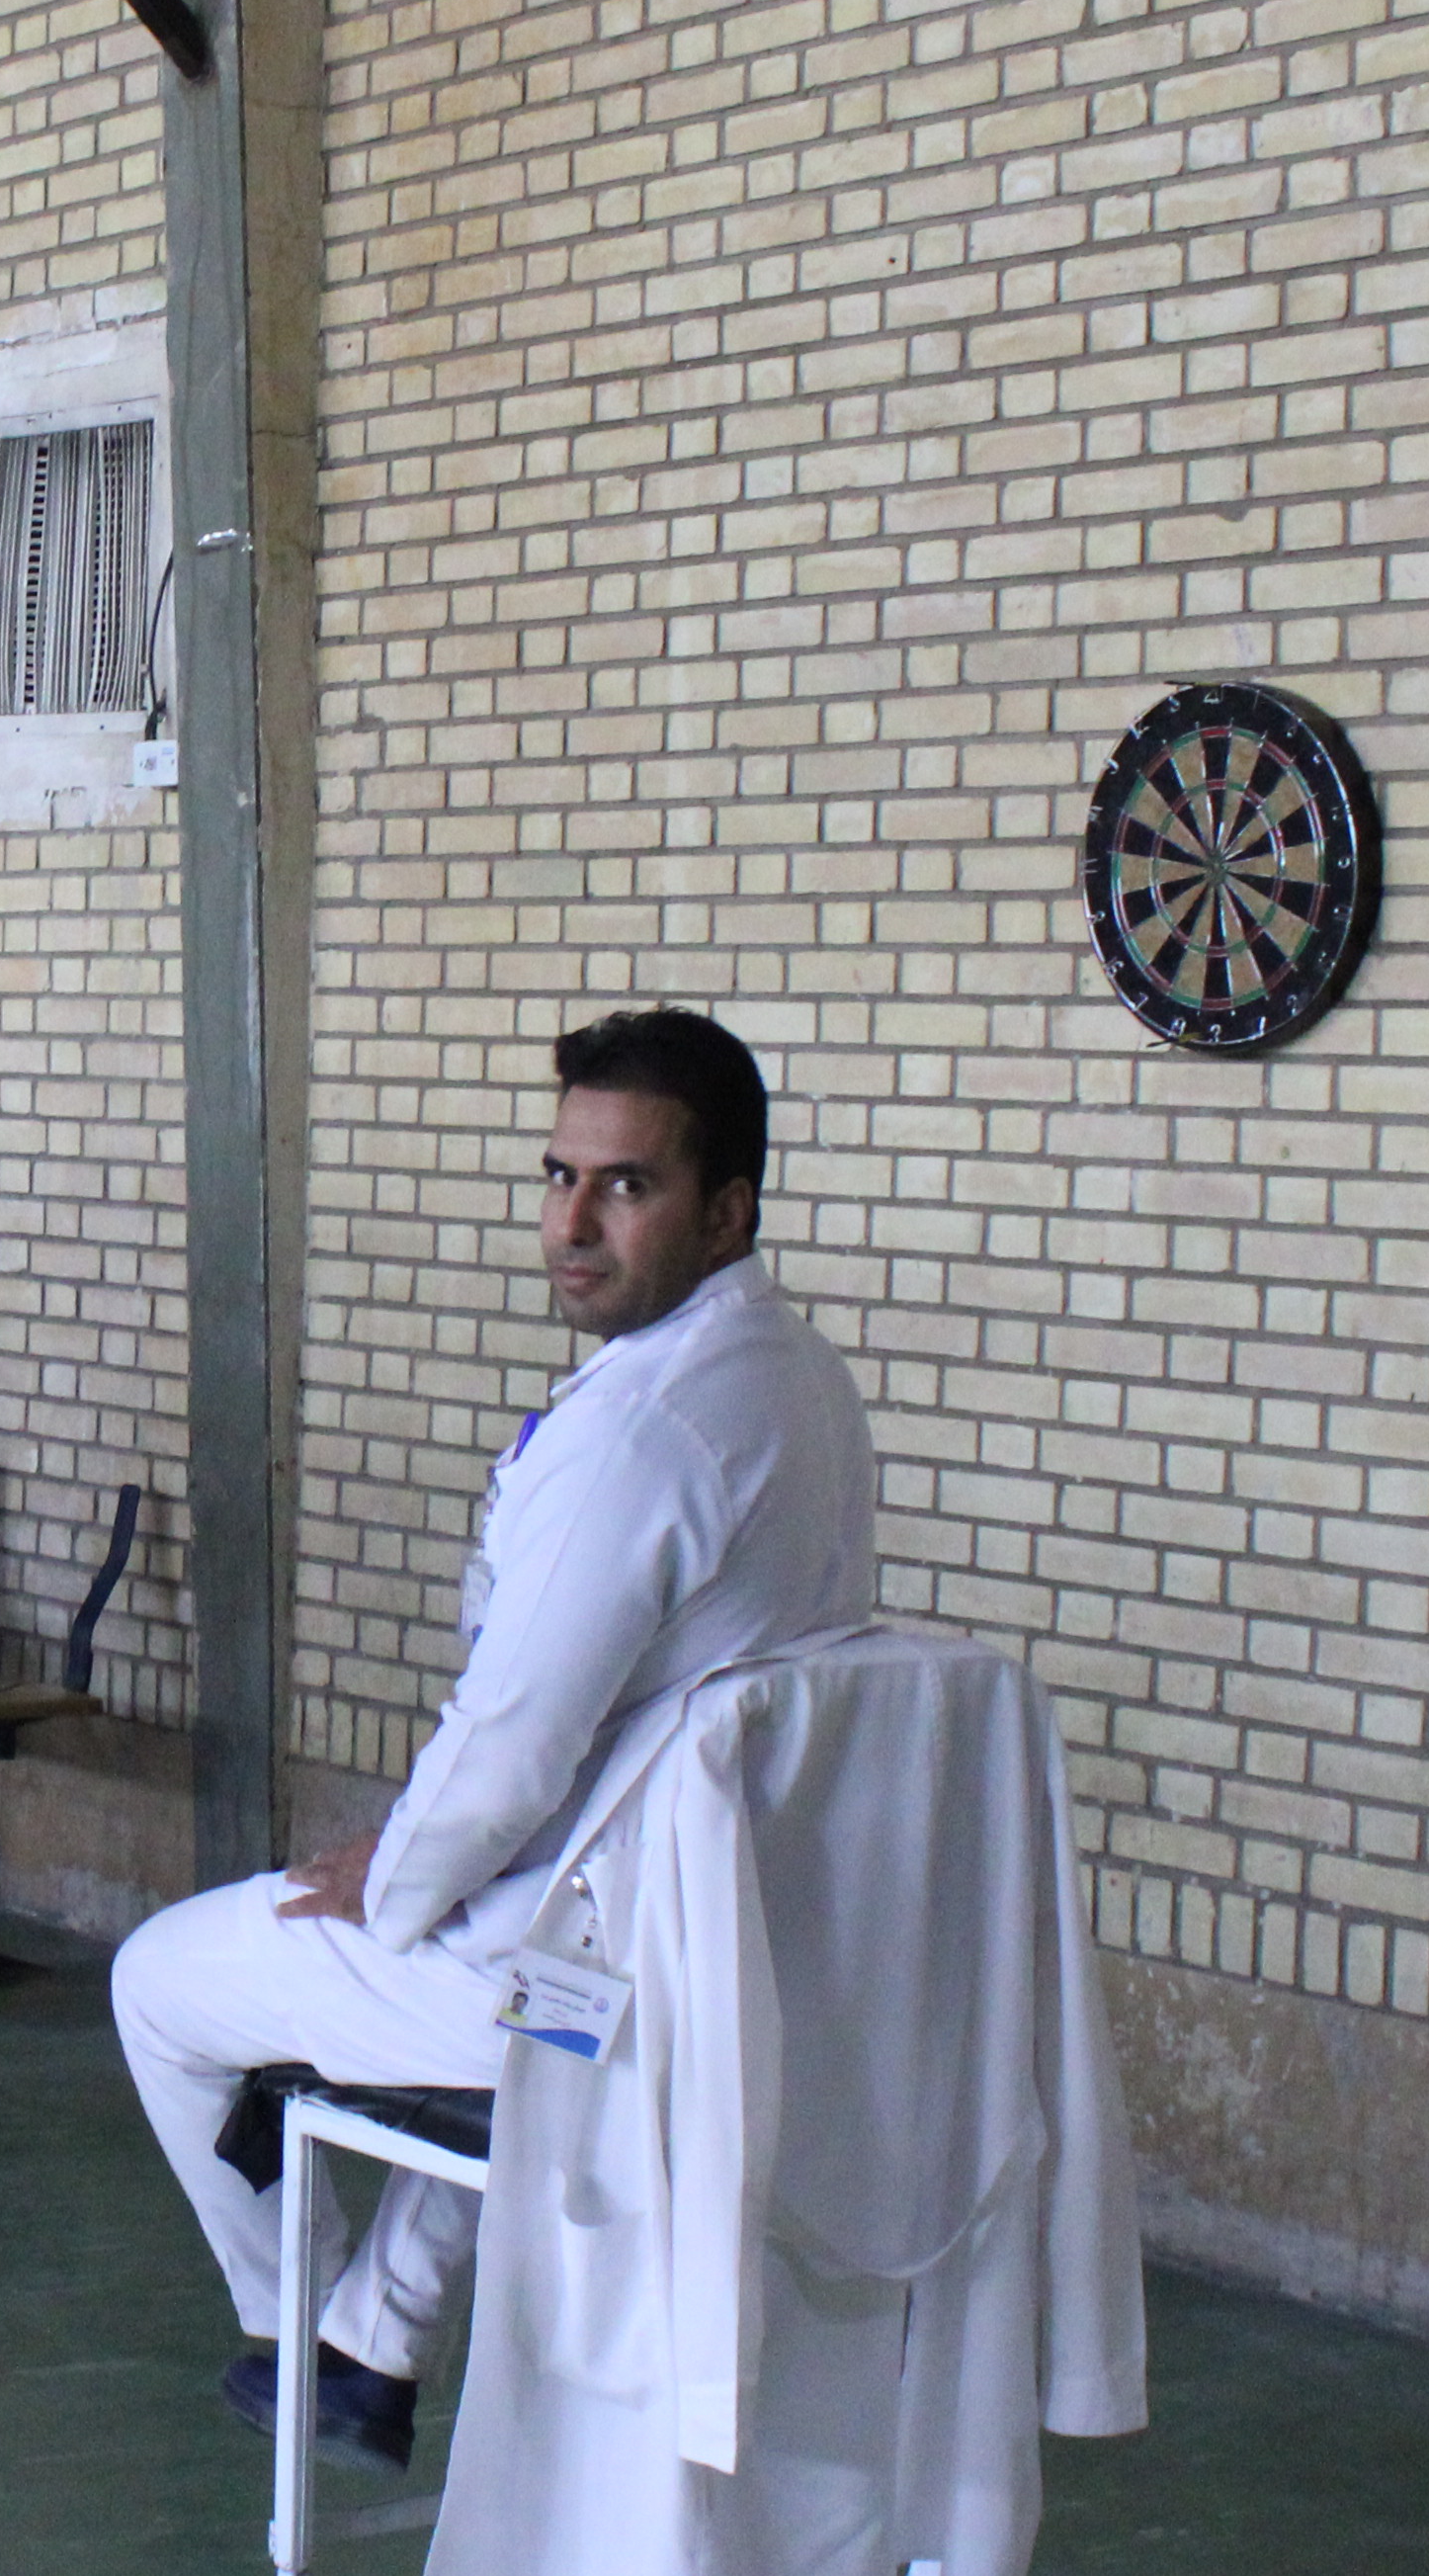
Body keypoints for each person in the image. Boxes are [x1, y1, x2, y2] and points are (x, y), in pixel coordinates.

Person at [107, 1009, 877, 2469]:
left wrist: (393, 1879)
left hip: (609, 1993)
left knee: (162, 1981)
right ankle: (370, 2344)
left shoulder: (645, 1428)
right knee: (506, 1950)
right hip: (729, 1950)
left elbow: (512, 1746)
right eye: (559, 1177)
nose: (572, 1226)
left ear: (728, 1212)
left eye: (627, 1186)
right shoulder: (800, 1379)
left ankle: (294, 2325)